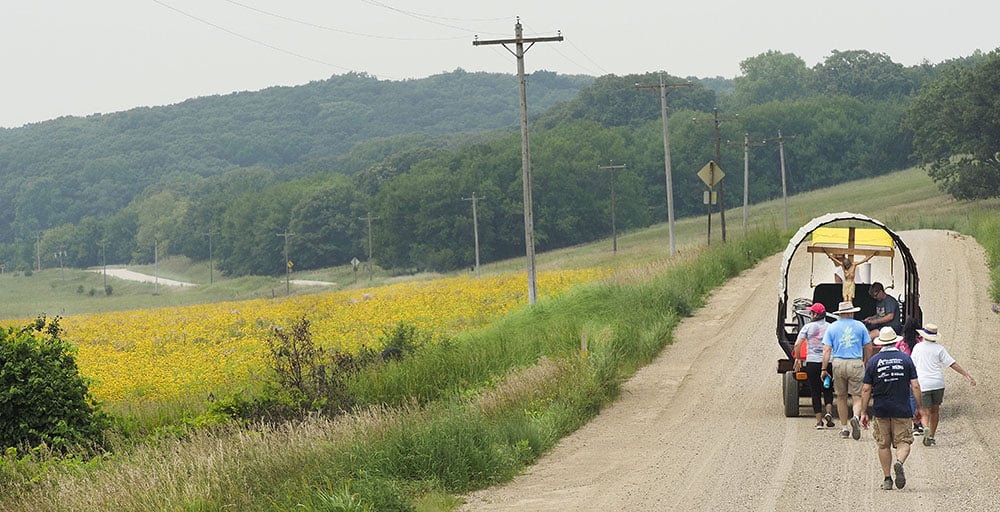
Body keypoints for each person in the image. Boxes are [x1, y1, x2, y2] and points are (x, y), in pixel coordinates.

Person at [860, 326, 922, 490]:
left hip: (881, 410)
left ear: (880, 344)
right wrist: (919, 408)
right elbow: (915, 386)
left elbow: (866, 389)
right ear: (895, 341)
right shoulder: (906, 359)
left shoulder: (873, 362)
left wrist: (864, 411)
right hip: (902, 409)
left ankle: (887, 479)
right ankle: (899, 462)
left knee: (883, 445)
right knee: (904, 442)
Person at [910, 323, 977, 446]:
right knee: (935, 411)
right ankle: (932, 436)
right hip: (938, 383)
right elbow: (952, 363)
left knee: (925, 412)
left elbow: (912, 365)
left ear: (923, 335)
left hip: (923, 383)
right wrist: (966, 375)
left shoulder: (917, 348)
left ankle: (925, 428)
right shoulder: (939, 349)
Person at [821, 300, 873, 440]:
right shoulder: (860, 326)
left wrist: (824, 368)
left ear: (840, 314)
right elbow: (868, 346)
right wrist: (867, 361)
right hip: (855, 362)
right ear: (850, 313)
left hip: (838, 362)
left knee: (841, 397)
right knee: (857, 396)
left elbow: (827, 349)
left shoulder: (832, 327)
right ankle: (855, 416)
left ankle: (844, 428)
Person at [793, 303, 835, 429]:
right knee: (828, 389)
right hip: (828, 362)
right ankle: (828, 412)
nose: (810, 314)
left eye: (811, 312)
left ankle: (819, 421)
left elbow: (797, 345)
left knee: (815, 392)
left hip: (812, 363)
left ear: (815, 314)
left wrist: (799, 359)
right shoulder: (831, 327)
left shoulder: (807, 327)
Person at [896, 317, 924, 435]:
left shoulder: (901, 344)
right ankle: (921, 422)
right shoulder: (921, 342)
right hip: (920, 373)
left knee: (909, 398)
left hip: (905, 374)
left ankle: (913, 422)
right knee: (919, 398)